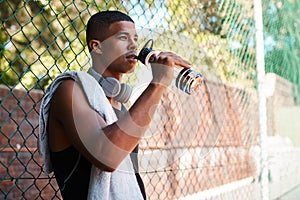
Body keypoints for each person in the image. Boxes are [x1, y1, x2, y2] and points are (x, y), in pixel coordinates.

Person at [38, 10, 191, 200]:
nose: (134, 45)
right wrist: (158, 84)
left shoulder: (120, 107)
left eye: (135, 38)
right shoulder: (69, 90)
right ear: (97, 46)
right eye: (123, 37)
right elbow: (107, 155)